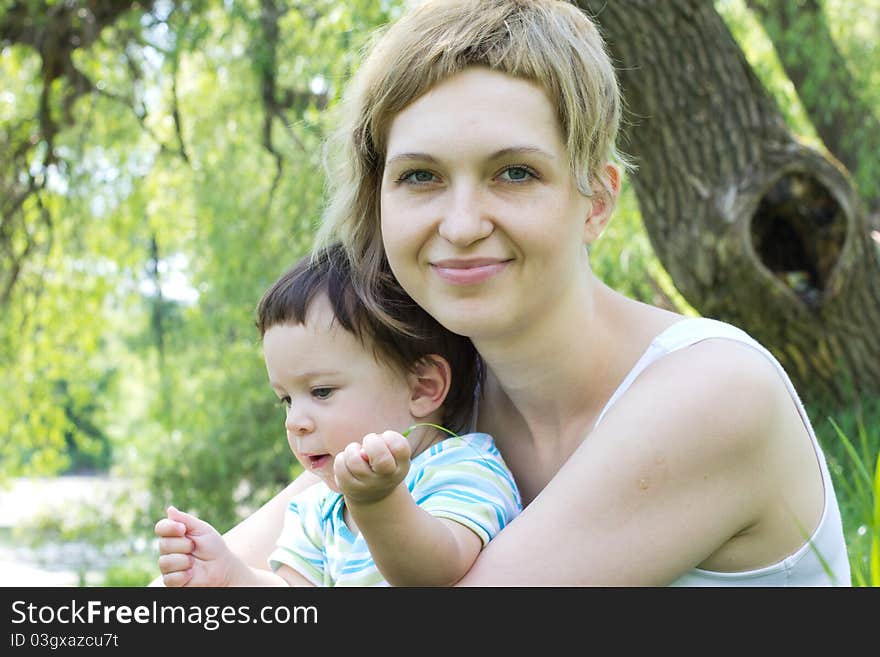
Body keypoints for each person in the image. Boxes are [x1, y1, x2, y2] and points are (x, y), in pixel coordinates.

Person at [187, 0, 851, 586]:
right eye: (421, 176)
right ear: (377, 200)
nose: (464, 223)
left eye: (514, 172)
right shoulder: (432, 396)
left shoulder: (714, 391)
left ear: (597, 200)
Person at [154, 244, 521, 586]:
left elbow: (434, 572)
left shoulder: (463, 468)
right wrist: (231, 576)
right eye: (286, 399)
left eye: (321, 392)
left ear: (422, 387)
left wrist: (378, 503)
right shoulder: (319, 508)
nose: (295, 421)